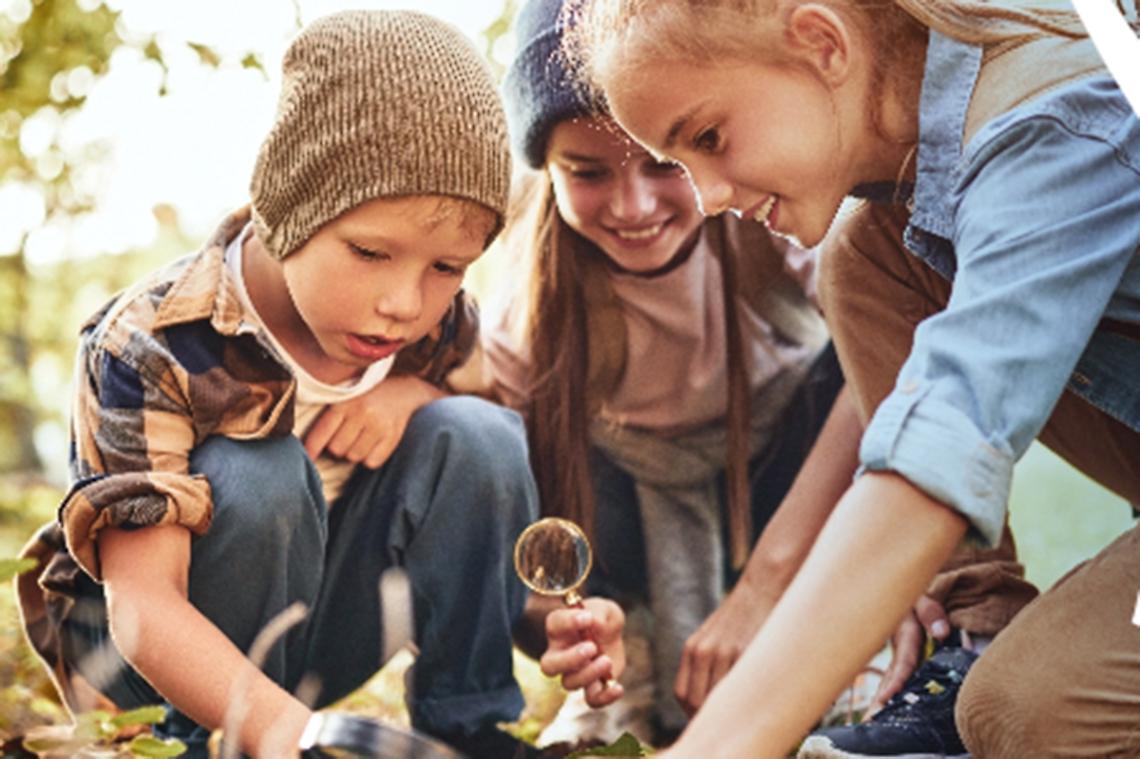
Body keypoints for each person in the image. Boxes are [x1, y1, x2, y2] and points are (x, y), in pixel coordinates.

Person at [14, 11, 624, 759]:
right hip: (151, 663)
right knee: (260, 470)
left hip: (308, 644)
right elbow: (144, 610)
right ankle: (208, 743)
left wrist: (544, 619)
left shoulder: (433, 330)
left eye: (446, 266)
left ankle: (466, 726)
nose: (405, 302)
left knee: (478, 429)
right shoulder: (153, 343)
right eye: (370, 251)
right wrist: (278, 729)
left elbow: (472, 503)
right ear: (290, 209)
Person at [561, 0, 1140, 757]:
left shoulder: (1054, 115)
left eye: (708, 138)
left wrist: (719, 745)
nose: (708, 199)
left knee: (1033, 710)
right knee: (866, 252)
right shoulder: (917, 168)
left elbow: (946, 437)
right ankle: (973, 634)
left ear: (821, 41)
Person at [478, 0, 864, 743]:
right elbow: (515, 521)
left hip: (784, 490)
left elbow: (889, 378)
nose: (632, 205)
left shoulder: (770, 218)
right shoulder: (525, 317)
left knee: (852, 370)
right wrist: (571, 620)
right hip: (630, 519)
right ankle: (635, 660)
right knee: (517, 437)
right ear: (547, 170)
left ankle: (843, 640)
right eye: (585, 172)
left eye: (664, 163)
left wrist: (763, 589)